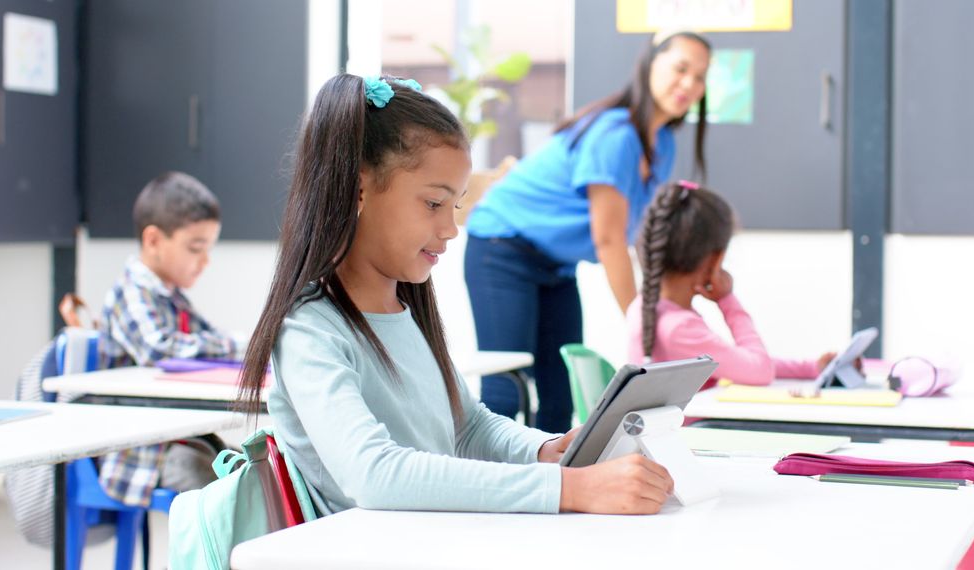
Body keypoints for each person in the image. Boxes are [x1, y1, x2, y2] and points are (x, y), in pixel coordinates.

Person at [238, 74, 674, 516]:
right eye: (433, 204)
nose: (450, 230)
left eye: (456, 206)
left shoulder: (405, 312)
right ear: (359, 188)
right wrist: (566, 488)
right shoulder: (309, 328)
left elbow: (469, 430)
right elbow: (374, 475)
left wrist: (547, 449)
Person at [463, 32, 712, 432]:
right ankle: (483, 489)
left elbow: (635, 237)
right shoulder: (616, 136)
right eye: (681, 68)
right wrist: (644, 326)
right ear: (651, 64)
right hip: (501, 249)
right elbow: (609, 240)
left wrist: (670, 308)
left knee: (561, 394)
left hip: (555, 265)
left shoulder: (661, 143)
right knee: (505, 389)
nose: (689, 84)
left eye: (700, 77)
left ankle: (552, 489)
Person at [95, 171, 239, 506]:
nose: (205, 261)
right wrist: (236, 343)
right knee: (217, 495)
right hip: (139, 448)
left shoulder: (171, 297)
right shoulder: (131, 293)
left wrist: (230, 344)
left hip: (177, 434)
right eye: (195, 248)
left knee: (253, 471)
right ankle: (216, 557)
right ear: (154, 241)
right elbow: (160, 349)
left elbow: (207, 339)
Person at [626, 181, 834, 387]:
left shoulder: (645, 308)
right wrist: (727, 300)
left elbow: (738, 362)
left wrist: (812, 368)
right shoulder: (679, 328)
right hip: (700, 422)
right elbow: (760, 370)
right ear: (716, 260)